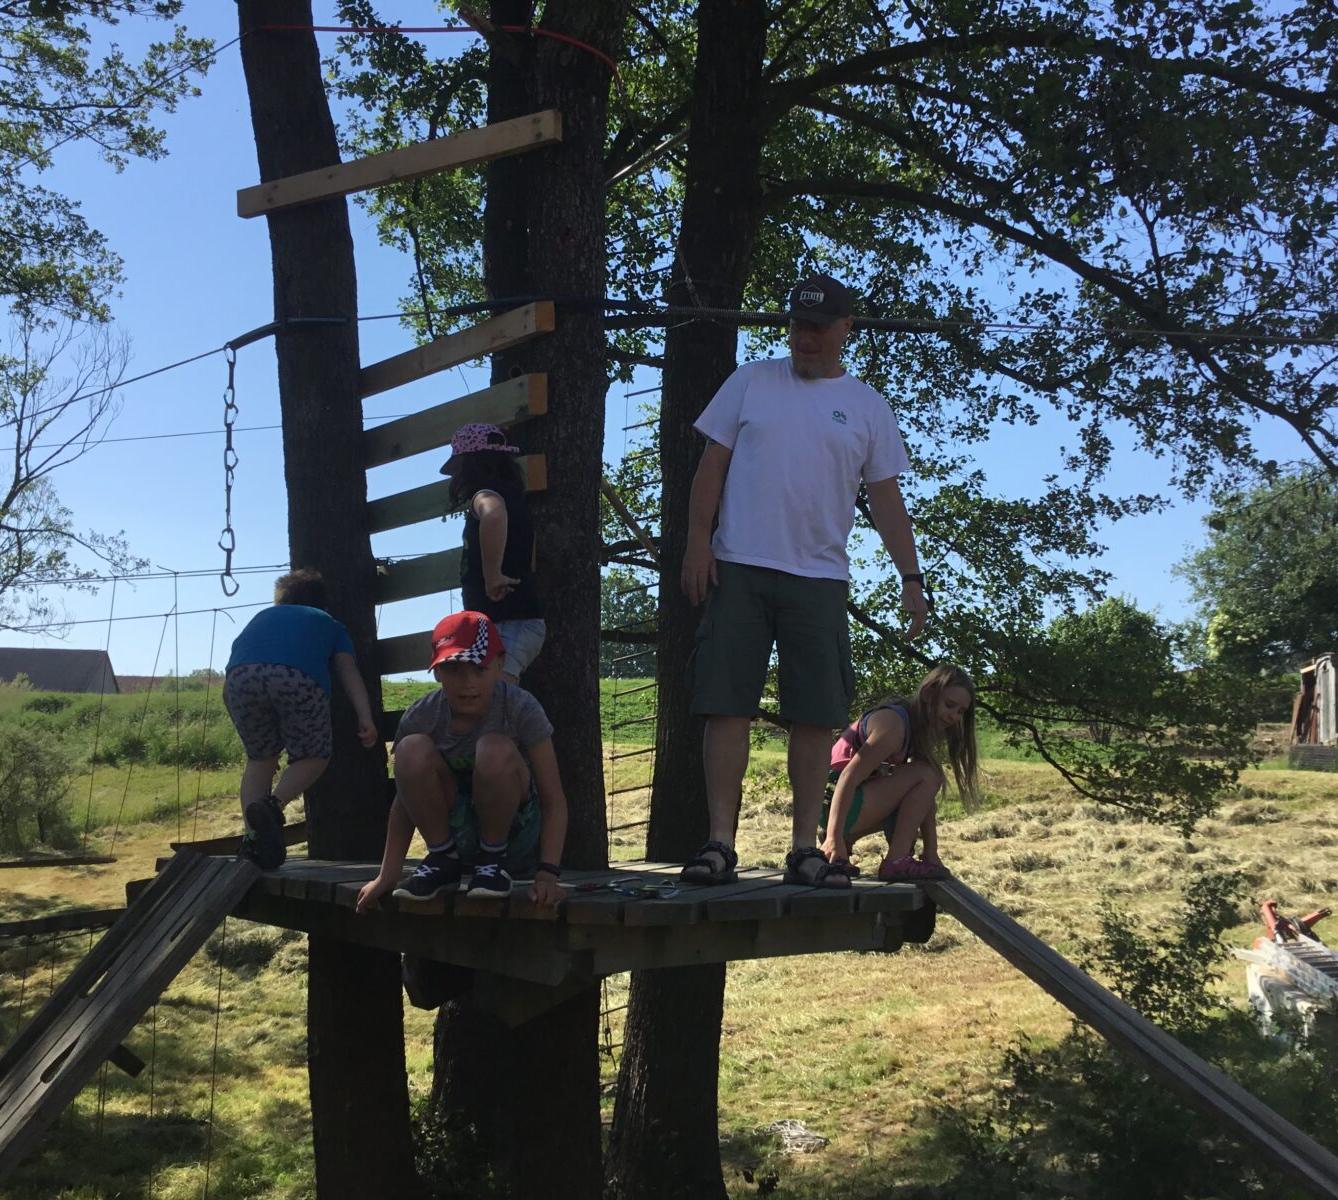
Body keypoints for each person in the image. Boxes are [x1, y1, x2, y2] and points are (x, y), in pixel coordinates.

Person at [679, 273, 930, 890]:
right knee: (725, 705)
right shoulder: (751, 380)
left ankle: (804, 848)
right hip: (738, 564)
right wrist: (696, 545)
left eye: (818, 327)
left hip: (819, 578)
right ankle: (718, 843)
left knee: (816, 715)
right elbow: (710, 468)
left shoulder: (868, 406)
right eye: (796, 325)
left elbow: (887, 500)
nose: (805, 338)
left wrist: (911, 577)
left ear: (847, 328)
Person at [354, 610, 567, 910]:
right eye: (454, 669)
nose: (468, 682)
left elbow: (553, 799)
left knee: (493, 748)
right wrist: (387, 874)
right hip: (456, 833)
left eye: (479, 669)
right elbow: (404, 800)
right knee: (410, 748)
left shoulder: (520, 707)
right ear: (437, 671)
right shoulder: (422, 715)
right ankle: (443, 859)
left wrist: (548, 873)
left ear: (500, 664)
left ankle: (492, 860)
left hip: (513, 839)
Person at [223, 569, 377, 870]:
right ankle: (272, 806)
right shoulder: (329, 623)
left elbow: (234, 673)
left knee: (260, 759)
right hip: (295, 678)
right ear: (323, 603)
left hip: (239, 679)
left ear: (281, 600)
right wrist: (365, 716)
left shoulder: (262, 617)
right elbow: (348, 671)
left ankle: (254, 841)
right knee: (313, 756)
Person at [820, 665, 979, 881]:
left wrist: (931, 854)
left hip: (843, 806)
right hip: (833, 800)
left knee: (925, 781)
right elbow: (849, 776)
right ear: (928, 694)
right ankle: (896, 860)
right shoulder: (894, 726)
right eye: (950, 705)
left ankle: (890, 852)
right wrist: (833, 837)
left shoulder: (915, 732)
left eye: (961, 712)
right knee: (928, 773)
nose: (954, 717)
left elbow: (924, 801)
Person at [442, 422, 545, 683]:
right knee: (493, 692)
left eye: (457, 469)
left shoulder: (485, 496)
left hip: (509, 619)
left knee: (496, 693)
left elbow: (494, 514)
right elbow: (530, 556)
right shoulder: (516, 501)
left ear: (470, 464)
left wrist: (492, 575)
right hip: (515, 617)